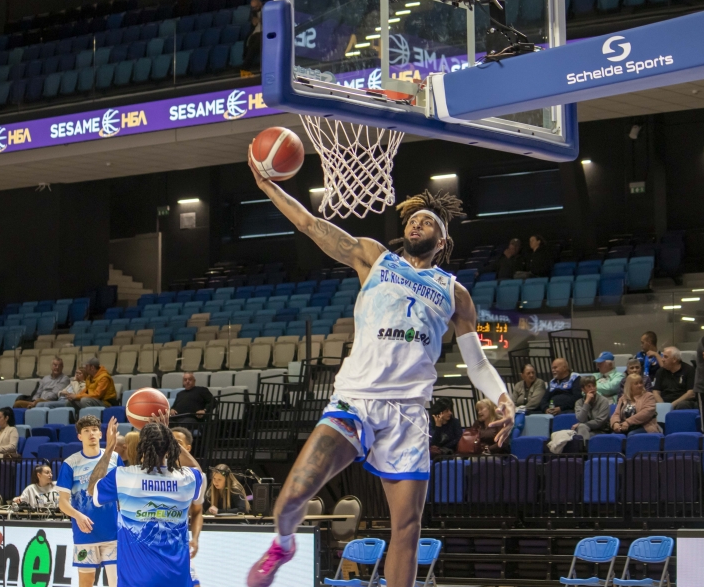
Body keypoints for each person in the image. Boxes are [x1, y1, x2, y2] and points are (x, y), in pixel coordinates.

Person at [244, 156, 514, 587]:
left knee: (407, 527)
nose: (417, 224)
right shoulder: (375, 258)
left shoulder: (455, 294)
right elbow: (311, 224)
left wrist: (504, 399)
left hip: (408, 414)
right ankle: (283, 543)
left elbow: (478, 363)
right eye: (414, 219)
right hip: (356, 401)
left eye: (428, 222)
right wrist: (269, 187)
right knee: (292, 496)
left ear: (443, 241)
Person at [88, 416, 206, 587]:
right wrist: (168, 437)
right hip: (177, 579)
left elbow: (92, 489)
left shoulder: (123, 476)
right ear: (170, 446)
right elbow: (199, 471)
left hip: (136, 581)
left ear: (141, 446)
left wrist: (108, 450)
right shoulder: (188, 478)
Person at [57, 415, 122, 587]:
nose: (91, 433)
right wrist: (77, 515)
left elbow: (124, 493)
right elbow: (62, 503)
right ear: (80, 436)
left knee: (117, 582)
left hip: (113, 530)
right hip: (85, 531)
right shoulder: (71, 463)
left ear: (100, 434)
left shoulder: (115, 458)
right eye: (86, 431)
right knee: (86, 582)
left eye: (94, 430)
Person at [170, 426, 205, 587]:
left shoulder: (196, 477)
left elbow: (197, 512)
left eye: (177, 442)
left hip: (178, 544)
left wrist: (195, 539)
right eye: (169, 441)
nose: (172, 445)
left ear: (188, 448)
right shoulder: (155, 470)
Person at [572, 376, 611, 441]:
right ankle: (583, 446)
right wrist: (586, 403)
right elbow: (581, 419)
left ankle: (583, 447)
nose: (592, 388)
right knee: (577, 432)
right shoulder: (579, 402)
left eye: (594, 386)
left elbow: (600, 421)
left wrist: (582, 424)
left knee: (581, 428)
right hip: (586, 429)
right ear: (583, 389)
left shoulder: (604, 401)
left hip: (601, 431)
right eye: (589, 386)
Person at [241, 0, 263, 71]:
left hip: (263, 32)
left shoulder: (266, 10)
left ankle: (245, 67)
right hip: (255, 33)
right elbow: (252, 26)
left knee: (253, 46)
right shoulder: (253, 13)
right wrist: (253, 23)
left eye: (256, 6)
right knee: (250, 42)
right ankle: (245, 66)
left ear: (260, 3)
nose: (255, 8)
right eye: (253, 7)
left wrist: (260, 20)